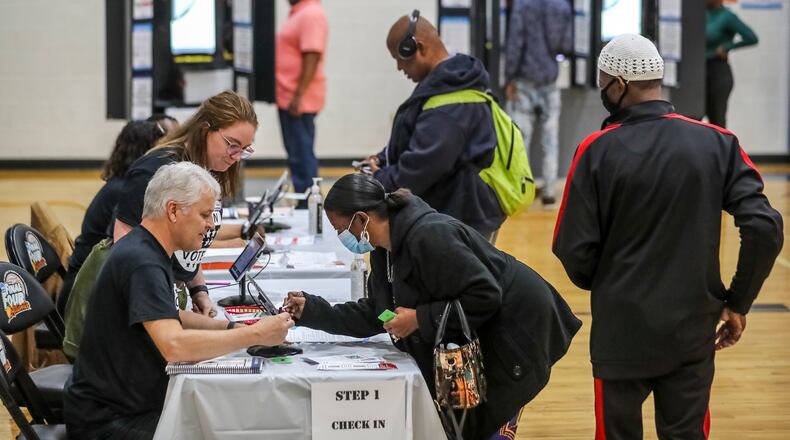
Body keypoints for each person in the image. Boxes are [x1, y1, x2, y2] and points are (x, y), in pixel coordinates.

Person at [553, 34, 783, 439]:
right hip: (692, 330)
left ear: (619, 84)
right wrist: (737, 301)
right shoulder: (718, 143)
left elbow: (572, 248)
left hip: (620, 333)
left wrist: (608, 284)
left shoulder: (595, 149)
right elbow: (764, 227)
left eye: (603, 79)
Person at [283, 173, 582, 439]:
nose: (341, 237)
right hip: (477, 328)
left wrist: (419, 318)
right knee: (464, 420)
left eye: (340, 229)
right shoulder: (383, 250)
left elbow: (485, 294)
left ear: (361, 219)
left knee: (485, 416)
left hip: (517, 327)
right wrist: (312, 310)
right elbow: (378, 312)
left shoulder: (429, 236)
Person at [63, 162, 293, 440]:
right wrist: (254, 333)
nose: (210, 225)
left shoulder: (146, 247)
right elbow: (174, 345)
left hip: (124, 406)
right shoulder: (142, 262)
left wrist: (232, 329)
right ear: (173, 210)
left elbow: (170, 315)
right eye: (205, 214)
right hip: (110, 422)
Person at [358, 12, 505, 241]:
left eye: (399, 57)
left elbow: (423, 166)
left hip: (462, 221)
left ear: (419, 48)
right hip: (452, 213)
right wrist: (383, 159)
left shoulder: (452, 102)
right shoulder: (445, 86)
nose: (398, 67)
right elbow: (418, 137)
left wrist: (383, 178)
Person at [113, 90, 257, 318]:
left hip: (165, 297)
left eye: (245, 149)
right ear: (205, 129)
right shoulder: (154, 171)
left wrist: (199, 291)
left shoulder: (205, 167)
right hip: (136, 307)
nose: (237, 156)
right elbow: (124, 251)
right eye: (232, 145)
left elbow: (189, 245)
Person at [61, 121, 165, 311]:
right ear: (146, 151)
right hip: (84, 292)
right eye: (158, 150)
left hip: (91, 281)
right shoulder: (125, 190)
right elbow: (125, 247)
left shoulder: (121, 183)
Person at [504, 0, 572, 208]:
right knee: (551, 138)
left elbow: (515, 44)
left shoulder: (522, 6)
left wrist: (509, 77)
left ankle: (521, 189)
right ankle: (550, 192)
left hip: (524, 81)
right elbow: (566, 45)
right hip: (550, 81)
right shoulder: (561, 7)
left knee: (521, 138)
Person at [276, 0, 328, 198]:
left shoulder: (311, 14)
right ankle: (305, 202)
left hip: (299, 99)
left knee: (302, 156)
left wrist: (299, 95)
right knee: (296, 155)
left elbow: (312, 56)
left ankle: (309, 205)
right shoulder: (299, 13)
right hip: (289, 96)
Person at [705, 0, 758, 128]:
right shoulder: (702, 14)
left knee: (717, 118)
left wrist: (727, 46)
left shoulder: (727, 17)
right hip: (698, 70)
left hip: (717, 71)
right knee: (693, 115)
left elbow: (752, 38)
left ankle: (722, 147)